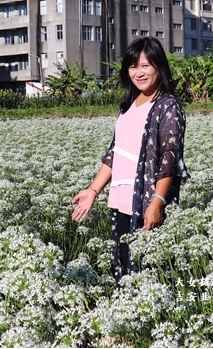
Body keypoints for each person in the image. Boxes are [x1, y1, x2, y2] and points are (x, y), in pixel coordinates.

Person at [71, 37, 190, 284]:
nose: (139, 72)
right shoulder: (129, 105)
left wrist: (157, 203)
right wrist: (93, 191)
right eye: (133, 66)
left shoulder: (167, 106)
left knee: (148, 270)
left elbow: (169, 158)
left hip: (146, 200)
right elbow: (115, 152)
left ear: (159, 67)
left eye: (146, 65)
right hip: (121, 200)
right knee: (124, 268)